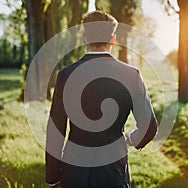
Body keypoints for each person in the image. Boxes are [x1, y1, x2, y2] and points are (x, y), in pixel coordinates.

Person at [46, 11, 158, 188]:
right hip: (113, 172)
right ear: (113, 39)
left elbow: (55, 131)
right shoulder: (131, 75)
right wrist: (131, 138)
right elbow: (149, 127)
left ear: (84, 38)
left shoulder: (66, 75)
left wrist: (52, 177)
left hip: (74, 172)